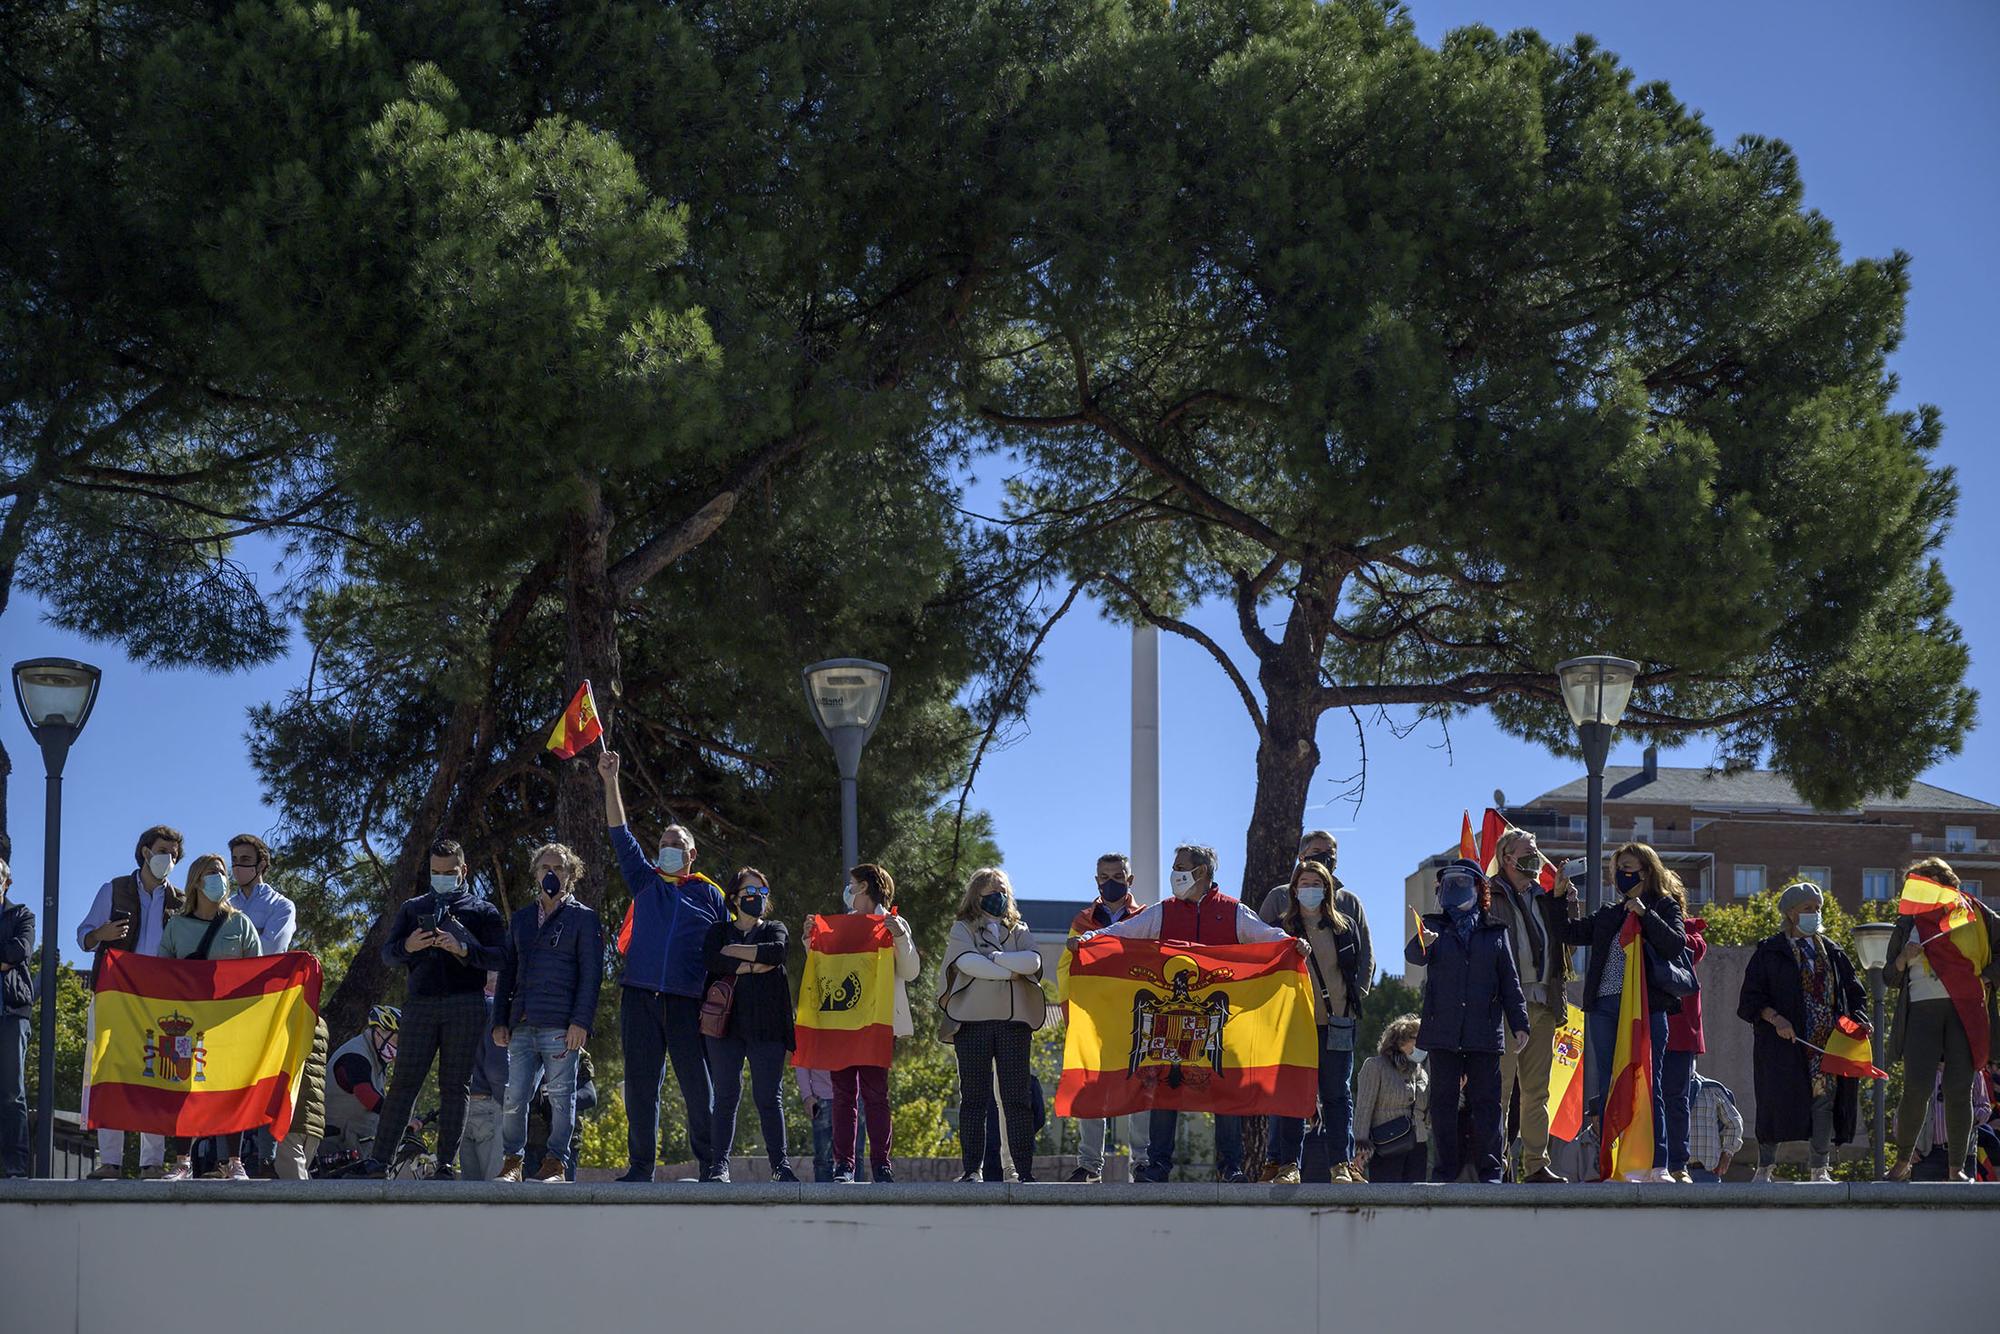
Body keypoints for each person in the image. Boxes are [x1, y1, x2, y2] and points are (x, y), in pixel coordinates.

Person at [1075, 842, 1303, 1182]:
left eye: (1180, 866)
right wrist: (1090, 938)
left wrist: (1291, 944)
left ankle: (1231, 1169)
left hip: (1218, 1021)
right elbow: (1120, 934)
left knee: (1225, 1093)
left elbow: (1267, 937)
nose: (1174, 873)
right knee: (1165, 1088)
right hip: (1172, 1021)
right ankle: (1158, 1167)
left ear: (1201, 872)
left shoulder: (1233, 911)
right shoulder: (1162, 911)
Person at [598, 749, 728, 1182]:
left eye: (677, 844)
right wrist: (610, 779)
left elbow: (725, 951)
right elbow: (619, 832)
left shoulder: (710, 895)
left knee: (698, 1088)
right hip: (639, 996)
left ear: (693, 854)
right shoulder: (645, 881)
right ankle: (640, 1168)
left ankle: (712, 1165)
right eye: (663, 844)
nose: (668, 848)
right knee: (640, 1088)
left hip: (688, 1002)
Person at [365, 838, 506, 1179]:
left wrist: (463, 950)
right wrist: (408, 945)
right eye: (436, 872)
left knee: (456, 1086)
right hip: (420, 1005)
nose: (442, 877)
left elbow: (501, 957)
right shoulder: (412, 908)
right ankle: (379, 1162)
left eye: (449, 872)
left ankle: (444, 1165)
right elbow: (387, 954)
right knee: (404, 1084)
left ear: (463, 870)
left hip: (466, 1004)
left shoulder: (483, 911)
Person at [1553, 842, 1687, 1181]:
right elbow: (1567, 932)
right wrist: (1559, 899)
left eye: (1628, 868)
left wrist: (1646, 914)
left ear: (1646, 870)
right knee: (1611, 1084)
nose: (1622, 876)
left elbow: (1674, 944)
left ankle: (1658, 1164)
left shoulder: (1664, 906)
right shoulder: (1610, 914)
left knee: (1648, 1083)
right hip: (1604, 1008)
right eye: (1618, 870)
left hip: (1646, 1008)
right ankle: (1615, 1162)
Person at [1406, 858, 1530, 1183]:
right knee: (1443, 1104)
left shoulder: (1495, 932)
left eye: (1463, 883)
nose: (1456, 889)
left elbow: (1510, 984)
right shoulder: (1433, 926)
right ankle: (1445, 1170)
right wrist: (1424, 943)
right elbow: (1413, 955)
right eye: (1450, 883)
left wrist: (1520, 1023)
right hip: (1442, 1032)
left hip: (1484, 1033)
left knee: (1487, 1104)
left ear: (1478, 889)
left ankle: (1491, 1170)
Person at [1736, 880, 1868, 1183]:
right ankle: (1765, 1167)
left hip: (1827, 1042)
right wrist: (1776, 1019)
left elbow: (1854, 992)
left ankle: (1819, 1168)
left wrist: (1858, 1020)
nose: (1815, 914)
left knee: (1824, 1101)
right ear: (1791, 913)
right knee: (1775, 1101)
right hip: (1784, 1044)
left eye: (1817, 909)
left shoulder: (1832, 952)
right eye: (1808, 909)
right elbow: (1750, 1001)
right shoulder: (1770, 952)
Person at [1883, 857, 2000, 1182]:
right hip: (1921, 1013)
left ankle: (1956, 1169)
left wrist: (1988, 978)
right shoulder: (1908, 923)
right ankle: (1903, 1161)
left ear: (1937, 883)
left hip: (1966, 1011)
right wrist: (1904, 959)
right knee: (1916, 1088)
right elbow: (1889, 976)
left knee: (1959, 1089)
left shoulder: (1976, 915)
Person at [78, 825, 185, 1178]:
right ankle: (110, 1161)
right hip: (115, 995)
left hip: (159, 1001)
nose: (168, 859)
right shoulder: (114, 889)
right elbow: (84, 937)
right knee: (110, 1072)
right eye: (162, 850)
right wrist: (102, 934)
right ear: (144, 852)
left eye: (173, 854)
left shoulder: (180, 901)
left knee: (155, 1075)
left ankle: (151, 1163)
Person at [491, 843, 601, 1184]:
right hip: (522, 1023)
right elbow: (507, 971)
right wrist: (500, 1020)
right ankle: (512, 1163)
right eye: (544, 868)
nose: (550, 874)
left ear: (570, 875)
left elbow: (591, 973)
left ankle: (555, 1164)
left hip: (561, 1025)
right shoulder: (522, 919)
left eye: (558, 869)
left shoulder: (583, 918)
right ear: (536, 873)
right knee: (514, 1097)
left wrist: (580, 1021)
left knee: (562, 1099)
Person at [158, 854, 263, 1180]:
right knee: (183, 1089)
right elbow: (159, 976)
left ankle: (234, 1162)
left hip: (228, 1025)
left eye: (221, 873)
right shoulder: (176, 925)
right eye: (211, 873)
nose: (218, 878)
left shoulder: (240, 924)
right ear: (196, 882)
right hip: (185, 1025)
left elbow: (258, 974)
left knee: (231, 1091)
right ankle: (182, 1162)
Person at [941, 868, 1047, 1184]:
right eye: (990, 889)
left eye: (1002, 888)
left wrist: (996, 958)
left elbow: (1034, 962)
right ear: (976, 895)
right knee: (973, 1099)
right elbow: (966, 964)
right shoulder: (962, 929)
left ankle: (1023, 1171)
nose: (998, 894)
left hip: (1014, 1024)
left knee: (1017, 1099)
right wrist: (1010, 969)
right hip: (972, 1024)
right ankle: (973, 1170)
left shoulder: (1019, 929)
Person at [1484, 827, 1577, 1183]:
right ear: (1506, 858)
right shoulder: (1488, 893)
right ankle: (1498, 1166)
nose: (1534, 859)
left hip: (1543, 1002)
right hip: (1505, 1006)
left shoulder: (1544, 896)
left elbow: (1567, 942)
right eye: (1527, 853)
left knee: (1538, 1091)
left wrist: (1566, 899)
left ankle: (1536, 1165)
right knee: (1501, 1090)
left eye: (1536, 852)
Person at [1265, 859, 1364, 1184]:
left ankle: (1341, 1166)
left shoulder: (1344, 927)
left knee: (1337, 1095)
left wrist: (1351, 1006)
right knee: (1295, 1094)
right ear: (1294, 890)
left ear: (1328, 889)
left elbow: (1358, 968)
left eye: (1317, 884)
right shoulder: (1281, 930)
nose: (1311, 890)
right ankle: (1289, 1166)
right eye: (1304, 883)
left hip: (1337, 1022)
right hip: (1295, 1026)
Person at [701, 867, 799, 1182]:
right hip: (724, 1028)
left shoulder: (775, 927)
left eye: (762, 893)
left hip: (768, 1028)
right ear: (734, 898)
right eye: (750, 893)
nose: (757, 899)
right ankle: (719, 1167)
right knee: (726, 1095)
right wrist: (754, 966)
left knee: (769, 1097)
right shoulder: (718, 931)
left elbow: (778, 952)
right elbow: (712, 959)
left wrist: (735, 955)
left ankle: (780, 1167)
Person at [830, 862, 920, 1183]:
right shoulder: (842, 925)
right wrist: (810, 942)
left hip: (878, 1022)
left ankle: (882, 1165)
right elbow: (829, 972)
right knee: (843, 1095)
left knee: (875, 1095)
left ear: (864, 886)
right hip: (843, 1021)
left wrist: (899, 936)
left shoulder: (894, 922)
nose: (848, 889)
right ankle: (844, 1166)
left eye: (851, 883)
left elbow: (910, 971)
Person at [1066, 853, 1148, 1183]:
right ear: (1096, 880)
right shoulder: (1082, 920)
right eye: (1104, 876)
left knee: (1140, 1088)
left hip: (1134, 1018)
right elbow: (1065, 967)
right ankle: (1089, 1165)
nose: (1110, 881)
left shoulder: (1145, 918)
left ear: (1130, 880)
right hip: (1094, 1019)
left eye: (1117, 875)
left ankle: (1141, 1163)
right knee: (1091, 1089)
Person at [1662, 913, 1711, 1183]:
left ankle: (1677, 1163)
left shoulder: (1690, 933)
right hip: (1646, 1026)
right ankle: (1650, 1159)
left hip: (1680, 1034)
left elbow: (1694, 949)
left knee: (1677, 1100)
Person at [1353, 1014, 1429, 1183]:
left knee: (1415, 1205)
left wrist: (1456, 1092)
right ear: (1400, 1041)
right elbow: (1364, 1108)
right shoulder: (1375, 1066)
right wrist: (1360, 1148)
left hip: (1418, 1147)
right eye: (1418, 1039)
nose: (1423, 1045)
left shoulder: (1422, 1073)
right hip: (1387, 1146)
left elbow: (1428, 1115)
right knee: (1386, 1202)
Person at [324, 1005, 398, 1157]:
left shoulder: (375, 1057)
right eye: (397, 1040)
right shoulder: (355, 1055)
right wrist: (399, 1115)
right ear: (379, 1033)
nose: (399, 1047)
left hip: (355, 1141)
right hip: (335, 1144)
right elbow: (367, 1096)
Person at [1, 858, 35, 1177]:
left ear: (7, 882)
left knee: (12, 1092)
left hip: (12, 1012)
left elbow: (19, 951)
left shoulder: (22, 915)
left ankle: (15, 1165)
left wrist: (8, 957)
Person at [459, 972, 509, 1181]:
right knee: (495, 1192)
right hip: (489, 1104)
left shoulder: (460, 1010)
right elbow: (496, 1066)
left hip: (461, 1107)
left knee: (469, 1194)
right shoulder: (494, 1011)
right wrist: (506, 1101)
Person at [275, 1010, 330, 1180]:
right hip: (314, 1121)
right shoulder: (321, 1023)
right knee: (301, 1181)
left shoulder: (290, 1018)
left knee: (295, 1192)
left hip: (291, 1118)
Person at [225, 834, 297, 955]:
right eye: (234, 860)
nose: (237, 866)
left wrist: (229, 947)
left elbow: (269, 950)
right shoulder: (225, 906)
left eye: (245, 859)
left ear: (261, 865)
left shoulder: (282, 906)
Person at [1684, 1063, 1743, 1182]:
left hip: (1706, 1174)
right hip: (1674, 1174)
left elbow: (1734, 1123)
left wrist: (1727, 1153)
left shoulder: (1711, 1089)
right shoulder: (1664, 1089)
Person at [795, 1065, 837, 1181]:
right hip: (821, 1097)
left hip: (854, 1096)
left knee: (856, 1154)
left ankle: (855, 1197)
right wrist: (807, 1095)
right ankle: (823, 1197)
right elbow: (801, 1060)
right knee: (823, 1158)